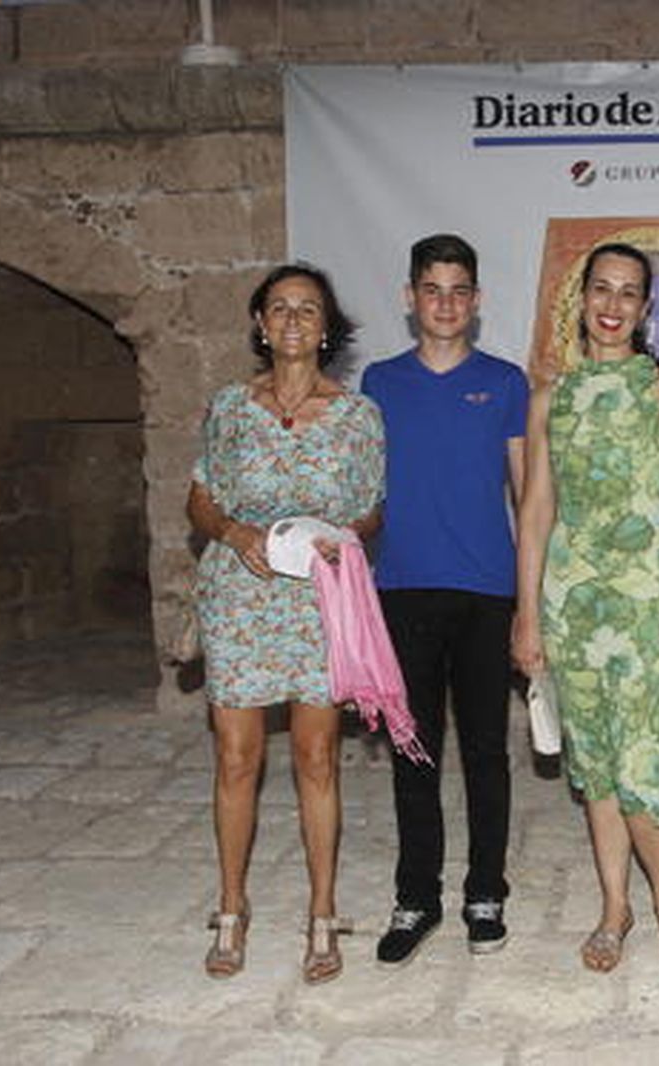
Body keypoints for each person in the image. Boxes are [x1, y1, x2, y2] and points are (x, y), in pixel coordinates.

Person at [513, 242, 659, 980]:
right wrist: (528, 614)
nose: (613, 304)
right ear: (582, 298)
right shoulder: (549, 399)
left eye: (629, 293)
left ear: (646, 308)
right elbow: (536, 512)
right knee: (595, 766)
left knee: (643, 767)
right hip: (572, 608)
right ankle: (613, 907)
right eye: (602, 288)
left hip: (649, 605)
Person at [187, 262, 384, 985]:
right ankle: (231, 906)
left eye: (308, 308)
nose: (294, 319)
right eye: (280, 307)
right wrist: (233, 531)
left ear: (326, 327)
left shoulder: (358, 416)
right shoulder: (230, 408)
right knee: (237, 759)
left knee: (316, 757)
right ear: (260, 324)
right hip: (241, 598)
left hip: (317, 600)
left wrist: (343, 537)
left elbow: (371, 508)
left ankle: (322, 910)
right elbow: (200, 498)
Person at [361, 235, 528, 964]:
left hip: (488, 591)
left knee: (487, 752)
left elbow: (529, 496)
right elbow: (359, 488)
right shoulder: (379, 381)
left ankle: (486, 891)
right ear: (410, 298)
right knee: (414, 752)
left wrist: (530, 599)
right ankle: (416, 897)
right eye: (433, 290)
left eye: (459, 291)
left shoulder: (506, 382)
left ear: (477, 300)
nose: (446, 304)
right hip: (402, 590)